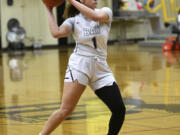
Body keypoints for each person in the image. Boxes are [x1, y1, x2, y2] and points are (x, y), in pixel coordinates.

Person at [39, 0, 126, 135]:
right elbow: (56, 33)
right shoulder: (73, 21)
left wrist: (72, 0)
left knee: (119, 109)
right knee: (66, 110)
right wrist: (49, 11)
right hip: (80, 65)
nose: (95, 0)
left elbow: (94, 17)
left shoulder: (105, 12)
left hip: (100, 67)